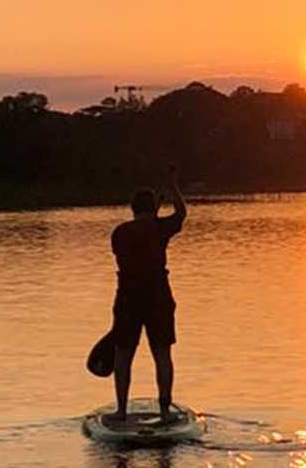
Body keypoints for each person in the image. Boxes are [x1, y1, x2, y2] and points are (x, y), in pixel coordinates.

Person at [105, 166, 187, 424]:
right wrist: (173, 187)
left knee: (123, 353)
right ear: (152, 207)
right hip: (158, 298)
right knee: (162, 353)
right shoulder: (159, 228)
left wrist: (153, 216)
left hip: (128, 298)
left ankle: (121, 410)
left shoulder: (119, 232)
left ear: (132, 208)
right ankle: (164, 410)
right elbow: (181, 214)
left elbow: (138, 238)